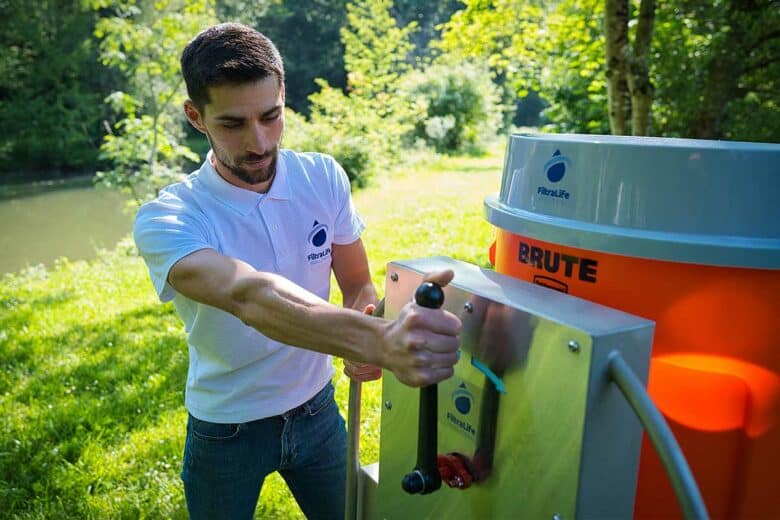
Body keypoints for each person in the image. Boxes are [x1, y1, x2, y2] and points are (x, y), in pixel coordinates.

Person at [133, 22, 461, 520]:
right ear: (195, 117)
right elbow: (248, 295)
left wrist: (365, 321)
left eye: (271, 116)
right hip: (226, 428)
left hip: (317, 413)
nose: (259, 142)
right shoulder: (168, 218)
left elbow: (356, 283)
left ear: (284, 95)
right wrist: (373, 340)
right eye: (233, 124)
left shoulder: (322, 176)